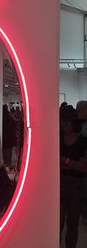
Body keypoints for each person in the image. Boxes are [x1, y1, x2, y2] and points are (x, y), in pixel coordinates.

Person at [60, 105, 87, 248]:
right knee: (56, 225)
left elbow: (84, 167)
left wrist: (64, 160)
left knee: (72, 224)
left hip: (76, 186)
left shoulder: (82, 141)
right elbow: (53, 164)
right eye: (62, 121)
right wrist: (74, 163)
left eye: (67, 121)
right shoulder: (57, 138)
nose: (64, 125)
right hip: (59, 184)